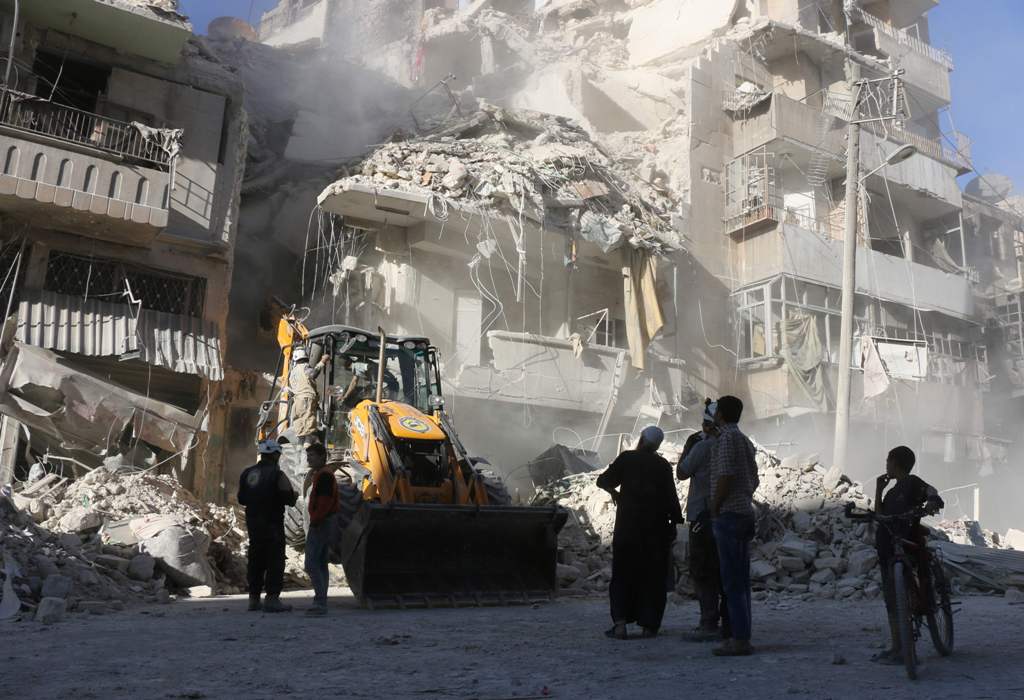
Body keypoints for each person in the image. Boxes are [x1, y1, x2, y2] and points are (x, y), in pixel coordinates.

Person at [597, 425, 684, 640]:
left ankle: (619, 626)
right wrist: (676, 522)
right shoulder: (663, 465)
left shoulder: (627, 459)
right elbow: (671, 497)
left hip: (628, 530)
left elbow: (603, 480)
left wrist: (615, 493)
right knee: (653, 578)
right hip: (656, 532)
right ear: (658, 445)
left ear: (641, 439)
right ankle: (649, 627)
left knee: (623, 575)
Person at [872, 445, 944, 665]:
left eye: (887, 461)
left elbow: (931, 491)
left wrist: (932, 502)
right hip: (887, 547)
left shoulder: (912, 483)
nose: (886, 465)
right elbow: (878, 514)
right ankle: (897, 647)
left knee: (900, 594)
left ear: (895, 463)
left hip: (907, 544)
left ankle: (905, 648)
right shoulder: (891, 492)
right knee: (891, 600)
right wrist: (878, 489)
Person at [708, 395, 759, 656]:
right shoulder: (744, 439)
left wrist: (716, 506)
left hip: (729, 515)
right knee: (740, 580)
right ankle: (742, 635)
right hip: (744, 513)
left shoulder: (727, 439)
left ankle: (739, 639)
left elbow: (725, 475)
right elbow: (754, 478)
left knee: (732, 582)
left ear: (721, 414)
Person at [677, 399, 729, 641]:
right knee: (725, 570)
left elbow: (682, 472)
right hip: (729, 515)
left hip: (703, 516)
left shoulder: (702, 447)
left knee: (703, 569)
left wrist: (688, 449)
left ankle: (708, 622)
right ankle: (729, 622)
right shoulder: (739, 444)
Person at [238, 439, 298, 613]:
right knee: (275, 561)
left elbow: (241, 498)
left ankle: (254, 599)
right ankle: (272, 599)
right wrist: (293, 495)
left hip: (254, 526)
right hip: (272, 525)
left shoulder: (247, 473)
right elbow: (289, 499)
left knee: (255, 560)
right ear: (275, 455)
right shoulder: (277, 474)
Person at [303, 442, 340, 616]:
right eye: (308, 455)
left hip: (322, 522)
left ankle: (319, 602)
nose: (308, 459)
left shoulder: (324, 476)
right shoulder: (323, 474)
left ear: (322, 457)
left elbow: (324, 502)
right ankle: (322, 601)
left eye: (312, 456)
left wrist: (316, 520)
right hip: (326, 521)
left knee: (311, 563)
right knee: (320, 563)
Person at [289, 346, 330, 445]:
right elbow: (313, 374)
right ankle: (308, 454)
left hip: (297, 403)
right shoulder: (305, 367)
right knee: (309, 433)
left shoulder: (293, 372)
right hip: (306, 400)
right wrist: (322, 362)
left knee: (301, 432)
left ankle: (300, 453)